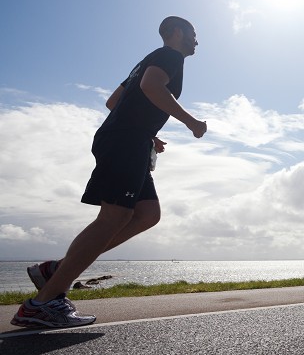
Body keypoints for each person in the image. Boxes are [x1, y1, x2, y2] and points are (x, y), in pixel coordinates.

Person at [12, 16, 207, 328]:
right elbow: (151, 86)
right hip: (125, 141)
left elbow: (114, 100)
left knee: (147, 214)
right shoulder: (169, 56)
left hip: (131, 139)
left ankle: (57, 270)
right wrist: (191, 122)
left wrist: (147, 131)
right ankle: (43, 302)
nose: (197, 39)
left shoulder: (147, 61)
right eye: (193, 33)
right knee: (114, 217)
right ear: (177, 32)